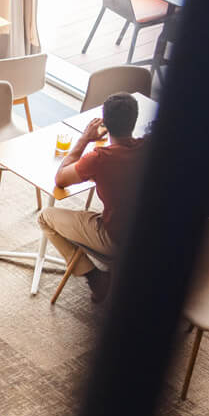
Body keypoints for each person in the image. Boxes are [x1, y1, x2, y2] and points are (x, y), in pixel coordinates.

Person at [38, 92, 146, 303]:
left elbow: (60, 179)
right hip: (150, 233)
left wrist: (85, 139)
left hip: (117, 239)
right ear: (134, 120)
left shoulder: (99, 158)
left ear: (105, 122)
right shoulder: (151, 147)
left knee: (45, 217)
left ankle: (95, 278)